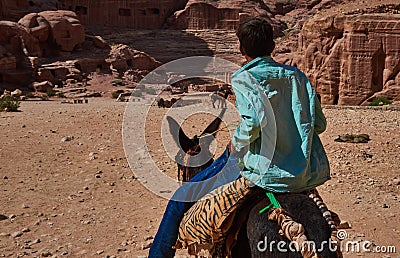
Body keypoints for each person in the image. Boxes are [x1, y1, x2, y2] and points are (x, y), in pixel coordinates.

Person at [149, 17, 330, 257]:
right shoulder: (298, 77)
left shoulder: (244, 78)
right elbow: (319, 124)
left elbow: (253, 123)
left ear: (241, 49)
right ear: (273, 46)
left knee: (178, 200)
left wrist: (236, 143)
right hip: (301, 174)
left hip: (260, 173)